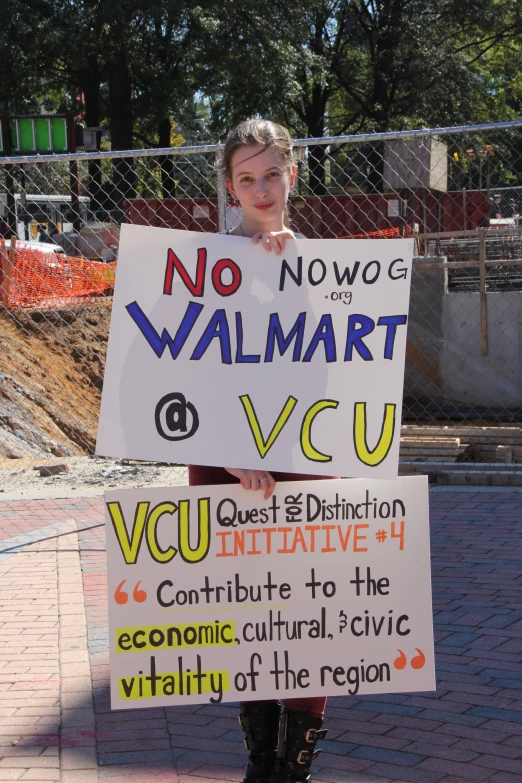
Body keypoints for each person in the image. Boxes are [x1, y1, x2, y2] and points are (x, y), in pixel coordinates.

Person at [188, 119, 332, 783]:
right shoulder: (198, 266)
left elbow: (339, 371)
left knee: (308, 602)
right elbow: (183, 376)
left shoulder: (328, 268)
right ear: (229, 186)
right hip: (223, 456)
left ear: (292, 175)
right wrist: (228, 444)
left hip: (303, 452)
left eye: (271, 173)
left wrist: (296, 271)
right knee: (246, 601)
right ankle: (259, 759)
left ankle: (292, 766)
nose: (261, 188)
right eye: (246, 177)